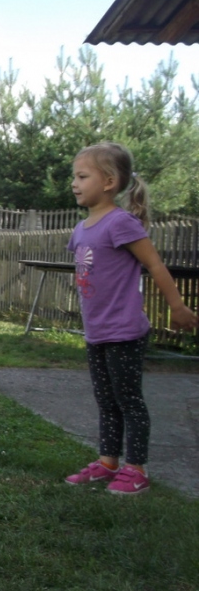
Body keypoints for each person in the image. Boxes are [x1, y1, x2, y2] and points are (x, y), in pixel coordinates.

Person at [65, 142, 197, 494]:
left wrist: (178, 307)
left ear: (108, 182)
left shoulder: (120, 223)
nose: (74, 183)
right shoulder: (81, 229)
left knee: (129, 402)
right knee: (106, 401)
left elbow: (154, 265)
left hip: (124, 331)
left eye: (82, 176)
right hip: (97, 332)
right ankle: (108, 462)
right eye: (74, 176)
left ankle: (136, 468)